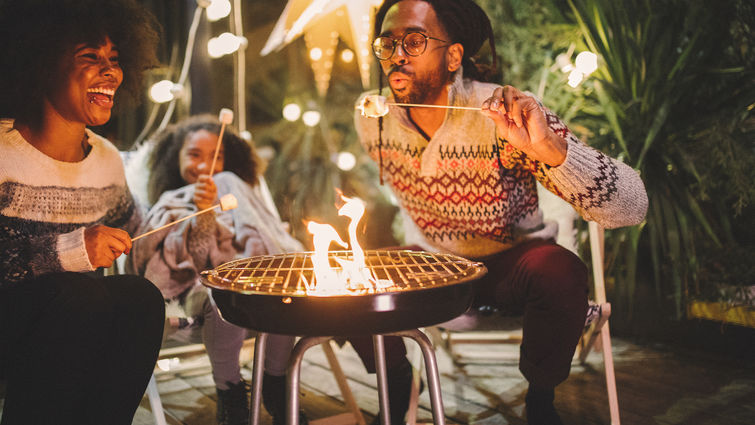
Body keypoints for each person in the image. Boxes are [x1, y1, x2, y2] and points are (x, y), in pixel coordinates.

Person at [353, 1, 649, 424]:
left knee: (561, 271)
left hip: (511, 261)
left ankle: (541, 397)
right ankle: (396, 380)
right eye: (388, 43)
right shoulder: (371, 120)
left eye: (414, 41)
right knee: (347, 280)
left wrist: (547, 148)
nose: (397, 54)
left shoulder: (502, 115)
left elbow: (632, 207)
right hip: (436, 265)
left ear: (453, 55)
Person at [0, 0, 165, 424]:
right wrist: (69, 251)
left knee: (139, 298)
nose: (111, 72)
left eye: (114, 59)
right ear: (39, 61)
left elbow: (141, 238)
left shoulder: (107, 161)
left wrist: (196, 217)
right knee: (80, 293)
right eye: (90, 57)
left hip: (71, 332)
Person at [129, 115, 307, 425]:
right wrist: (203, 213)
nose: (205, 165)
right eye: (195, 155)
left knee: (282, 288)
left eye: (216, 156)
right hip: (195, 290)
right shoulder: (171, 201)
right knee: (222, 295)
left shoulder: (237, 193)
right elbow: (194, 259)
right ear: (176, 158)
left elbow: (265, 234)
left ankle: (276, 383)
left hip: (255, 282)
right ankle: (230, 392)